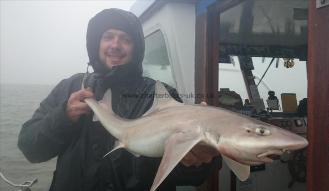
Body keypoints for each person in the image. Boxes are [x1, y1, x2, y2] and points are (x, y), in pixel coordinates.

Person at [18, 8, 220, 191]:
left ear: (136, 48)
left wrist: (198, 162)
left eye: (125, 39)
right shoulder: (70, 88)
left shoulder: (159, 94)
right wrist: (63, 117)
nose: (115, 45)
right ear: (97, 43)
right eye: (108, 37)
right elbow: (30, 148)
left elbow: (190, 177)